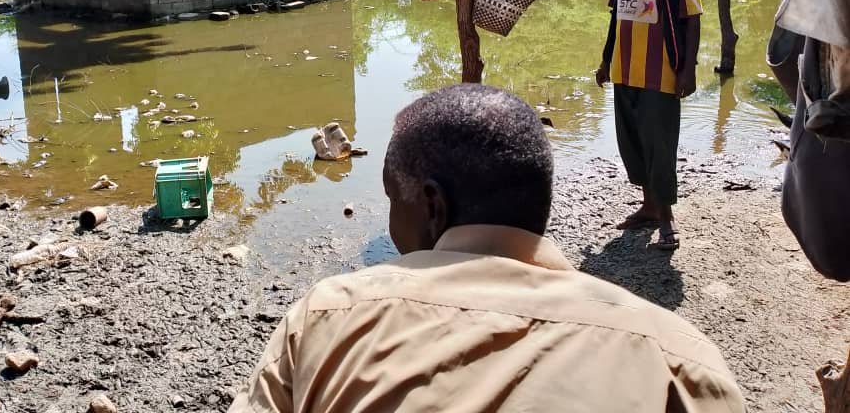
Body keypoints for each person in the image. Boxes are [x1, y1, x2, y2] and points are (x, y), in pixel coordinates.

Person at [229, 85, 744, 413]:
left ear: (433, 207)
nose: (392, 220)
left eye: (393, 198)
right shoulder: (681, 360)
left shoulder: (327, 318)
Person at [595, 0, 703, 251]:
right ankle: (649, 206)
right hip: (625, 73)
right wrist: (604, 62)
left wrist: (687, 70)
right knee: (633, 144)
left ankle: (667, 220)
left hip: (661, 75)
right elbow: (617, 19)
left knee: (660, 147)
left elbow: (692, 20)